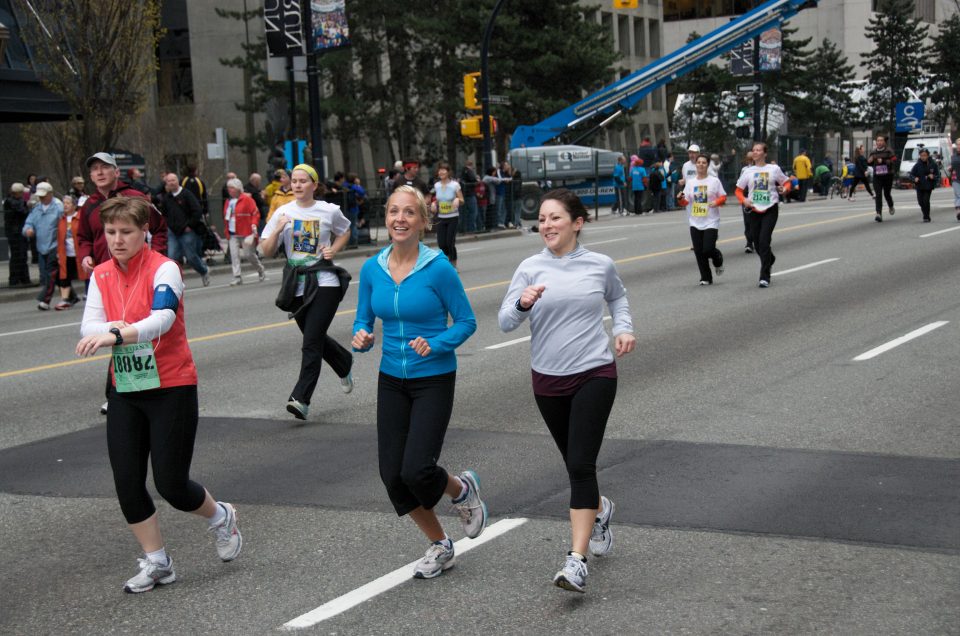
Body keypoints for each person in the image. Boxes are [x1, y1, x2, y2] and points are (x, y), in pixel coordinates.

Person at [74, 196, 242, 594]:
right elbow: (88, 325)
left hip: (171, 385)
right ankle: (158, 562)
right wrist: (110, 329)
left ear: (144, 231)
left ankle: (220, 516)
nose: (117, 240)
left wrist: (116, 332)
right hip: (126, 387)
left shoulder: (165, 268)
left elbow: (163, 317)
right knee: (127, 482)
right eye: (111, 232)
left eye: (126, 232)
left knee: (171, 483)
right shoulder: (100, 275)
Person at [498, 188, 635, 593]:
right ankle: (600, 509)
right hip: (547, 380)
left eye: (555, 218)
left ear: (577, 223)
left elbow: (619, 299)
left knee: (580, 464)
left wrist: (623, 328)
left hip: (595, 372)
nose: (546, 226)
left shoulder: (600, 264)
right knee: (575, 464)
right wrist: (522, 304)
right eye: (541, 219)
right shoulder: (529, 267)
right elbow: (505, 322)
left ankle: (576, 561)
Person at [352, 185, 486, 580]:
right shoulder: (372, 268)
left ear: (423, 222)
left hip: (434, 378)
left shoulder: (438, 268)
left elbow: (466, 321)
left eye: (409, 212)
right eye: (393, 211)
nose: (399, 219)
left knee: (416, 469)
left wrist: (438, 343)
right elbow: (364, 318)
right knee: (392, 475)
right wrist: (362, 336)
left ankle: (461, 490)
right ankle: (441, 543)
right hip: (391, 378)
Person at [260, 164, 354, 420]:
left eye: (303, 181)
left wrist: (334, 249)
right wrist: (278, 229)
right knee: (316, 338)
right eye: (294, 181)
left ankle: (301, 398)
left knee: (311, 341)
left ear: (314, 185)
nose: (298, 185)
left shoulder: (329, 210)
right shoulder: (283, 212)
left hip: (324, 282)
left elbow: (345, 230)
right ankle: (343, 362)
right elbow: (266, 251)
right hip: (296, 285)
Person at [736, 142, 790, 288]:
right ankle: (770, 258)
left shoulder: (773, 169)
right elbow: (738, 191)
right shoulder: (748, 171)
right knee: (756, 242)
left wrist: (784, 190)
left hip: (770, 208)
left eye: (758, 150)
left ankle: (764, 276)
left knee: (764, 240)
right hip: (754, 209)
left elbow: (786, 182)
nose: (755, 152)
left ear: (765, 154)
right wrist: (744, 200)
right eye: (753, 150)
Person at [677, 154, 726, 285]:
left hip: (711, 220)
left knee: (708, 249)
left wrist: (716, 202)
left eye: (704, 163)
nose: (701, 165)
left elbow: (723, 197)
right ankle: (706, 277)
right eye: (698, 162)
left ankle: (718, 258)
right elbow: (685, 202)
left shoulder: (714, 181)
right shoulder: (691, 183)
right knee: (699, 251)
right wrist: (680, 198)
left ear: (707, 165)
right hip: (695, 221)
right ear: (696, 165)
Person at [159, 172, 210, 286]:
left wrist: (190, 225)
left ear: (178, 181)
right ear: (166, 183)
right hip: (173, 232)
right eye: (169, 181)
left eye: (173, 180)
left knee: (191, 257)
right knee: (172, 258)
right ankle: (177, 281)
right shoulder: (166, 198)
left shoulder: (186, 194)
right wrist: (168, 225)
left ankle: (204, 271)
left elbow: (197, 211)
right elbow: (164, 214)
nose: (171, 183)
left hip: (187, 231)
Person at [22, 182, 62, 310]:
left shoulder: (58, 207)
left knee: (51, 274)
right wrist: (27, 230)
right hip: (41, 246)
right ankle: (71, 296)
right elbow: (29, 222)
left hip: (55, 245)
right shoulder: (37, 208)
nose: (41, 198)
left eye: (44, 196)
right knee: (50, 274)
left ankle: (45, 300)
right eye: (40, 196)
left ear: (50, 194)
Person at [222, 178, 265, 286]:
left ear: (238, 188)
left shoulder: (247, 199)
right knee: (234, 255)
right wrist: (226, 230)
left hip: (246, 232)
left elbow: (255, 213)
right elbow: (226, 217)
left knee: (249, 255)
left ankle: (260, 269)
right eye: (228, 188)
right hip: (233, 233)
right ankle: (237, 277)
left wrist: (253, 225)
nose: (229, 190)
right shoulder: (228, 201)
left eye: (231, 188)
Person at [54, 195, 85, 309]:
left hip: (79, 252)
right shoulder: (61, 219)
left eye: (68, 203)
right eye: (64, 203)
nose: (65, 205)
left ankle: (90, 296)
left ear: (74, 205)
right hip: (65, 253)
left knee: (87, 275)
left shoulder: (80, 218)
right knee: (63, 275)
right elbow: (59, 237)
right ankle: (65, 299)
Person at [430, 162, 463, 269]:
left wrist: (457, 199)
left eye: (444, 170)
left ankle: (453, 265)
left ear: (448, 172)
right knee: (441, 244)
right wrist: (434, 203)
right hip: (441, 218)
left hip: (452, 217)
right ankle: (446, 264)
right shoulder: (437, 185)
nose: (441, 172)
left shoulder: (455, 185)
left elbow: (462, 200)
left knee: (450, 242)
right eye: (440, 170)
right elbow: (437, 199)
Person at [4, 183, 32, 287]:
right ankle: (18, 279)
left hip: (16, 231)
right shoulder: (12, 201)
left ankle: (22, 278)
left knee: (20, 255)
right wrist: (28, 206)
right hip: (16, 232)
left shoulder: (12, 200)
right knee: (18, 255)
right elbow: (23, 211)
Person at [867, 135, 897, 222]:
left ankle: (891, 205)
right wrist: (869, 161)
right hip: (877, 176)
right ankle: (878, 213)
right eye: (878, 141)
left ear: (884, 142)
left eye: (881, 140)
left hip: (888, 175)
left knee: (887, 194)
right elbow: (869, 163)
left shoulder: (889, 150)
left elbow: (894, 160)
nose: (879, 142)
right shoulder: (873, 152)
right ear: (876, 142)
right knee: (878, 195)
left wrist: (883, 161)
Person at [910, 147, 940, 223]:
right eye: (921, 155)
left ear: (928, 155)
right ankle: (925, 213)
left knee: (926, 201)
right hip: (919, 186)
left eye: (925, 155)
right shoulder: (917, 165)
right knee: (921, 202)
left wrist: (933, 176)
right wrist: (914, 178)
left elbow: (937, 175)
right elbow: (911, 175)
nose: (923, 157)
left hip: (928, 186)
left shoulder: (933, 164)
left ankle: (926, 216)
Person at [739, 152, 755, 253]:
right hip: (747, 197)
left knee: (759, 221)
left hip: (759, 198)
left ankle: (760, 241)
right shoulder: (744, 170)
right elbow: (740, 185)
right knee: (748, 222)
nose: (751, 161)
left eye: (752, 159)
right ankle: (749, 243)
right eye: (749, 159)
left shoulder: (764, 168)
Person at [459, 159, 479, 233]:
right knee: (473, 212)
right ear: (471, 165)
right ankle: (471, 229)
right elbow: (473, 180)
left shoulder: (462, 172)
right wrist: (477, 180)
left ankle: (464, 228)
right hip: (470, 194)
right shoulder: (469, 171)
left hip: (464, 194)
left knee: (464, 213)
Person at [951, 140, 960, 222]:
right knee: (958, 195)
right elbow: (952, 166)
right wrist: (950, 168)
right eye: (958, 144)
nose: (959, 146)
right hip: (956, 178)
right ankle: (958, 212)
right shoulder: (953, 156)